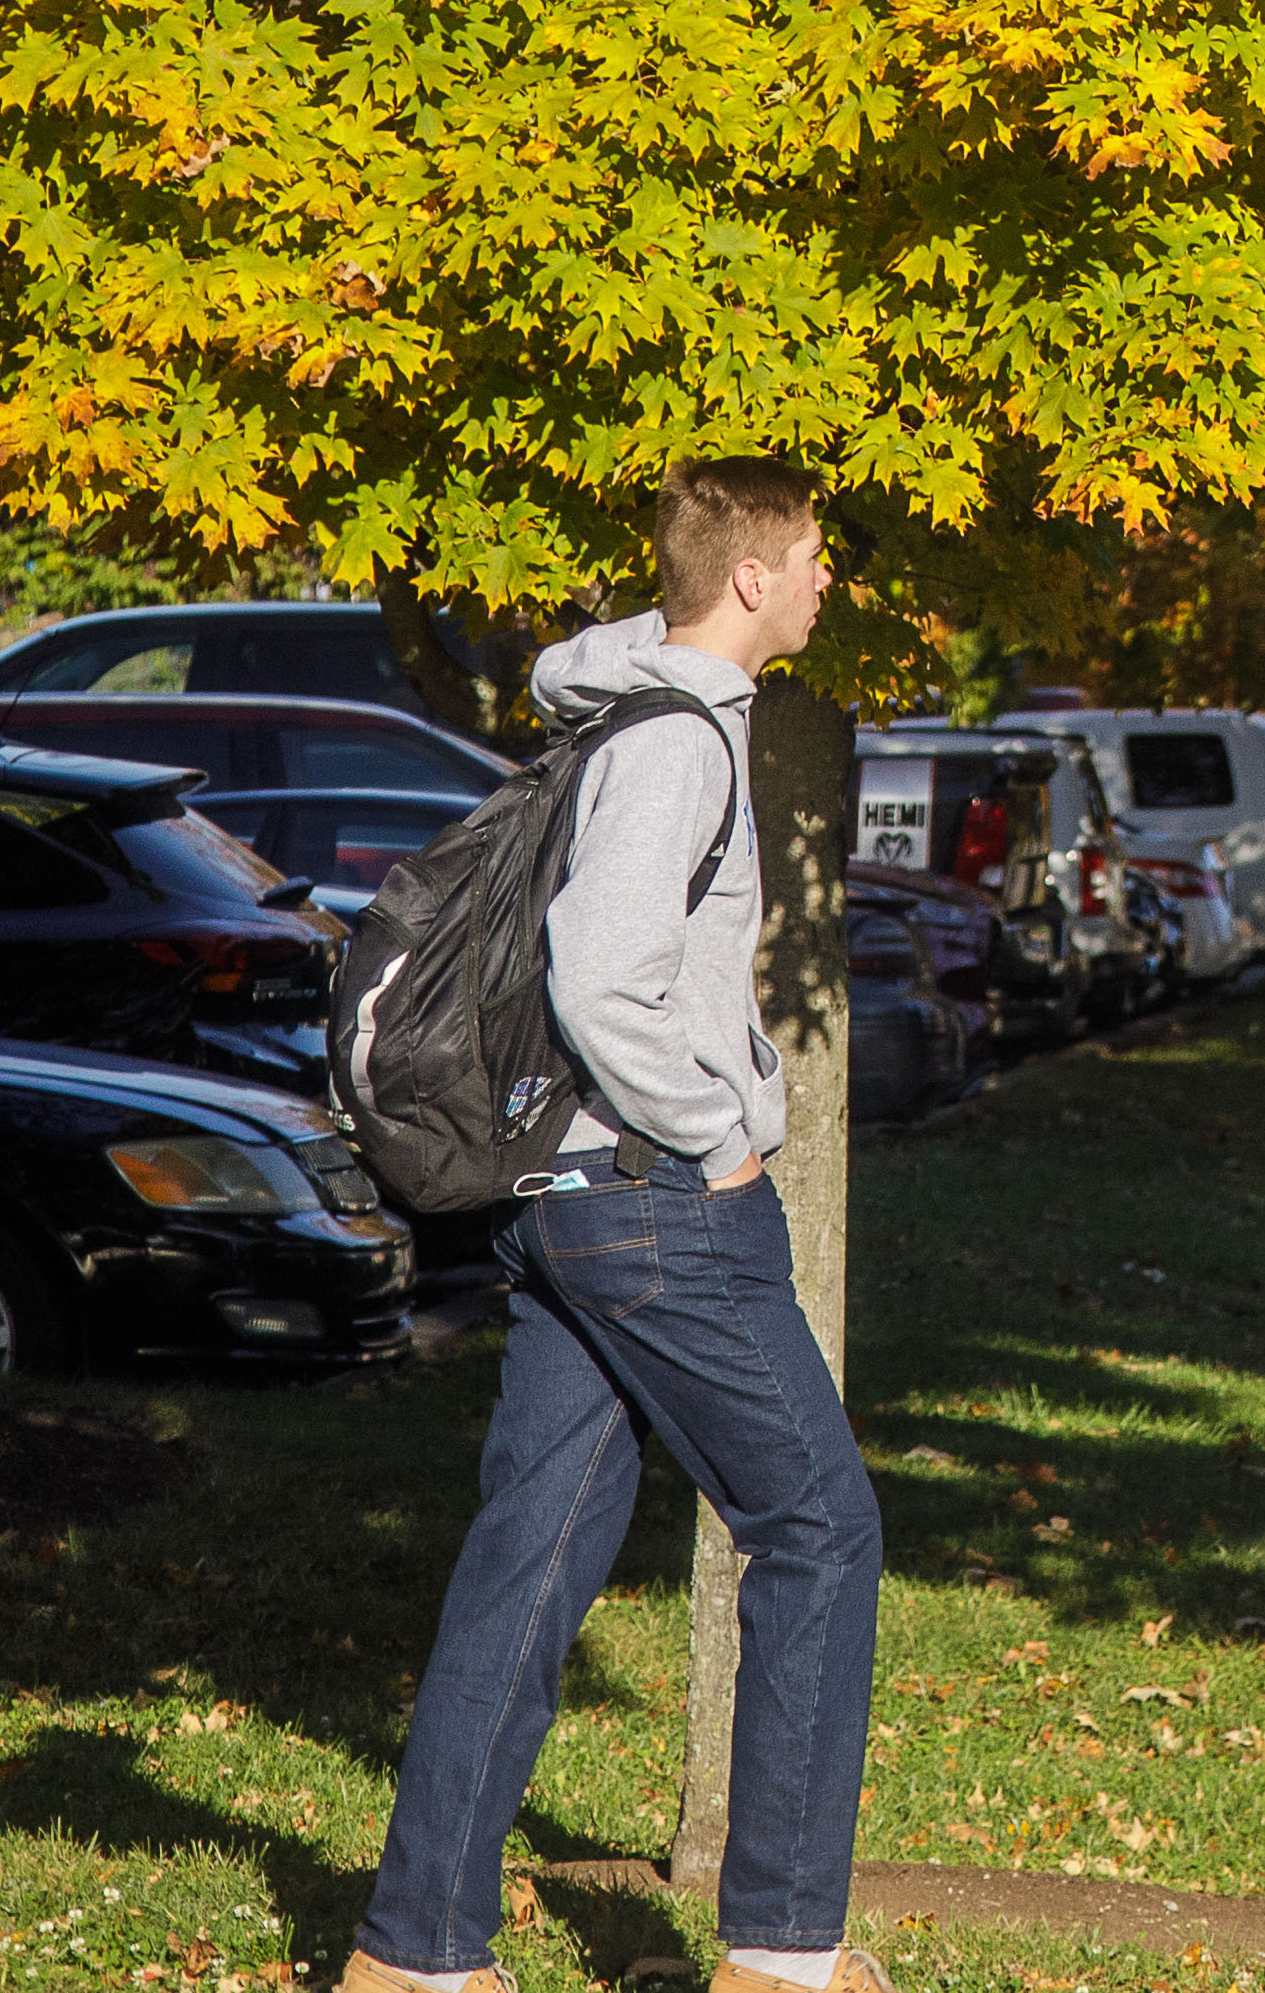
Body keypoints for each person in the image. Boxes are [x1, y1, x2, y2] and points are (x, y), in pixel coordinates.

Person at [348, 464, 892, 1993]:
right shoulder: (677, 748)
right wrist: (717, 1136)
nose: (825, 584)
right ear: (750, 581)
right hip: (656, 1204)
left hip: (571, 1207)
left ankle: (416, 1958)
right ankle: (785, 1958)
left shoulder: (627, 715)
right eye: (811, 560)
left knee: (531, 1558)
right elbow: (600, 977)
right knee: (820, 1526)